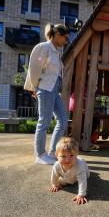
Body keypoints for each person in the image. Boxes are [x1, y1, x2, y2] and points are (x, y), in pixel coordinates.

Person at [24, 23, 70, 165]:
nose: (66, 41)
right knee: (44, 121)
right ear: (57, 35)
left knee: (63, 118)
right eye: (65, 38)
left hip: (54, 90)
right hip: (44, 88)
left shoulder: (56, 51)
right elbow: (34, 69)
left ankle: (52, 152)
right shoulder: (43, 47)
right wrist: (34, 88)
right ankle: (40, 154)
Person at [49, 137, 90, 205]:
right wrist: (55, 184)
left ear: (77, 154)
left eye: (71, 155)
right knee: (62, 181)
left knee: (87, 176)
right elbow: (54, 175)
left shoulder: (79, 166)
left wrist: (81, 195)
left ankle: (86, 170)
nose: (67, 160)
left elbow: (82, 181)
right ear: (56, 155)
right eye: (63, 156)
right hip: (69, 175)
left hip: (82, 168)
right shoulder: (56, 165)